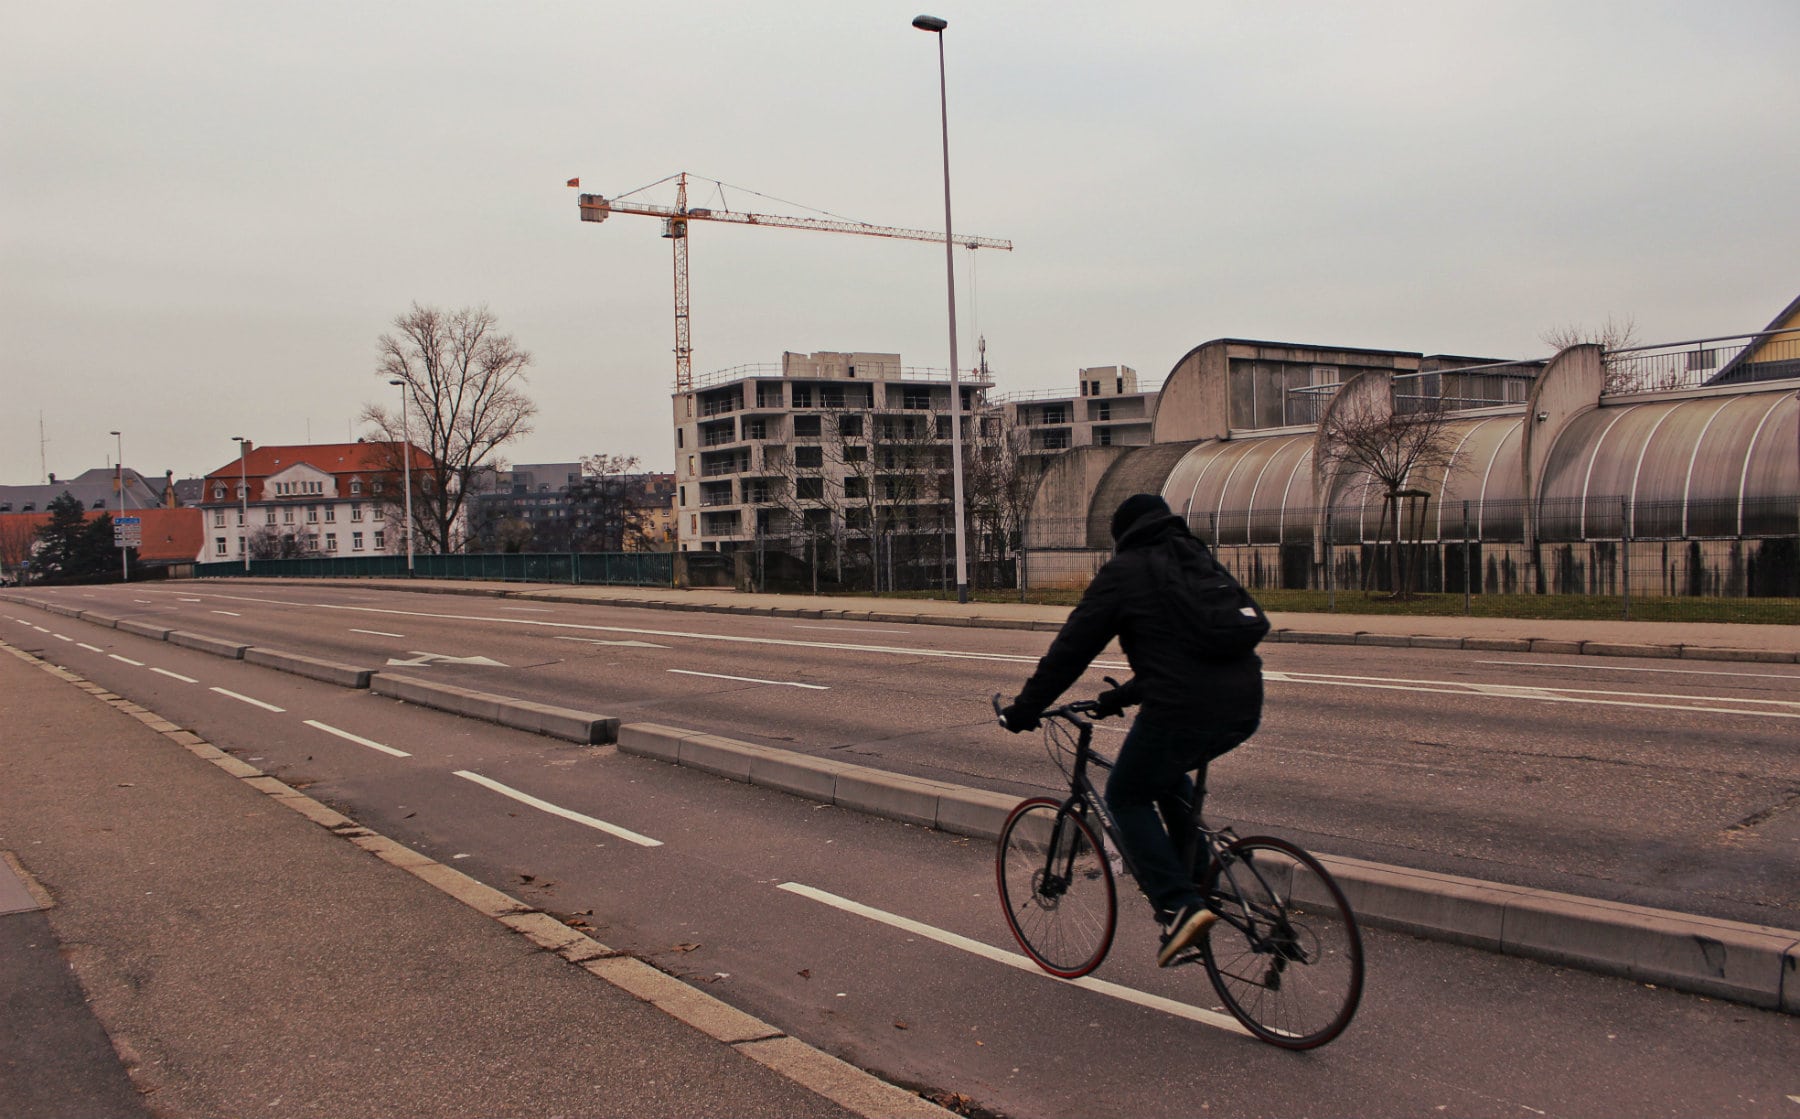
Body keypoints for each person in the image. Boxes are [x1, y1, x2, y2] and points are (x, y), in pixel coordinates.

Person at [1001, 493, 1263, 966]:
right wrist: (1118, 698)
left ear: (1121, 535)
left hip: (1183, 707)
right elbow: (1185, 653)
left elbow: (1070, 651)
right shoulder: (1193, 557)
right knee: (1167, 778)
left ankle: (1179, 906)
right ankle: (1202, 884)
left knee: (1125, 794)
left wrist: (1024, 709)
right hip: (1245, 701)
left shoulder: (1125, 572)